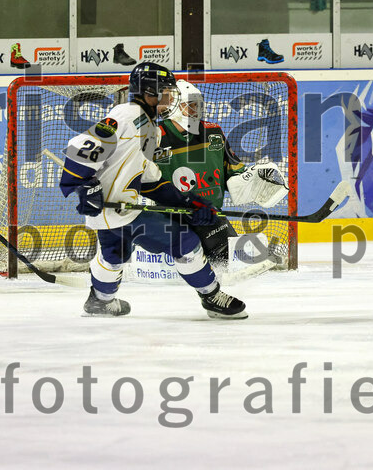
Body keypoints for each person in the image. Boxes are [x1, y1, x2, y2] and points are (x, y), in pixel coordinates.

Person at [58, 62, 247, 319]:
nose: (171, 99)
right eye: (167, 92)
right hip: (118, 211)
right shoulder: (127, 116)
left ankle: (101, 301)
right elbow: (80, 147)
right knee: (184, 241)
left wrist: (190, 203)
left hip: (116, 210)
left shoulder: (149, 127)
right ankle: (212, 296)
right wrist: (80, 186)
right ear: (150, 92)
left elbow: (150, 180)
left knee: (114, 255)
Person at [154, 79, 288, 267]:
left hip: (209, 214)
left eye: (197, 106)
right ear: (175, 107)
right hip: (170, 217)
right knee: (227, 257)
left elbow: (233, 170)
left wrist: (252, 179)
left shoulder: (213, 132)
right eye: (189, 106)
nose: (195, 111)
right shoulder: (155, 137)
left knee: (227, 255)